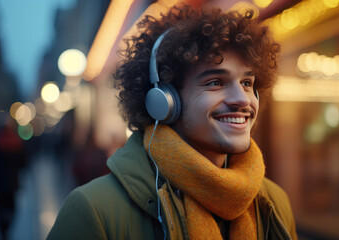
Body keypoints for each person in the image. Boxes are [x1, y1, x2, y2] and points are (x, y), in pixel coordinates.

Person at [48, 4, 297, 240]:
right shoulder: (93, 209)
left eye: (247, 83)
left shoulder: (274, 203)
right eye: (216, 83)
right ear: (164, 101)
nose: (242, 99)